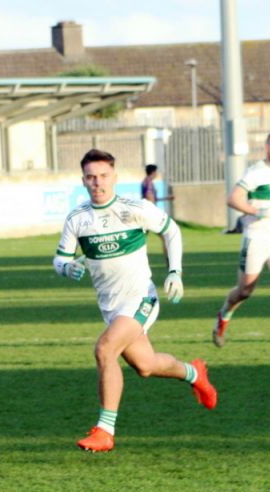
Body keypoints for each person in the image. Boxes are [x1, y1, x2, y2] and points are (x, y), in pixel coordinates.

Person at [54, 148, 217, 452]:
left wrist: (174, 271)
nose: (97, 182)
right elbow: (60, 258)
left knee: (104, 350)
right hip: (112, 308)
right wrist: (67, 267)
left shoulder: (135, 208)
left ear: (114, 177)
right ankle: (195, 373)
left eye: (103, 176)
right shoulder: (78, 219)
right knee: (145, 365)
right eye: (91, 177)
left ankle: (105, 431)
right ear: (83, 180)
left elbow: (171, 231)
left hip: (141, 298)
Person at [212, 132, 270, 359]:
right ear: (266, 148)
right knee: (244, 291)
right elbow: (233, 199)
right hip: (256, 238)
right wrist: (256, 211)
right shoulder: (255, 172)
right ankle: (223, 315)